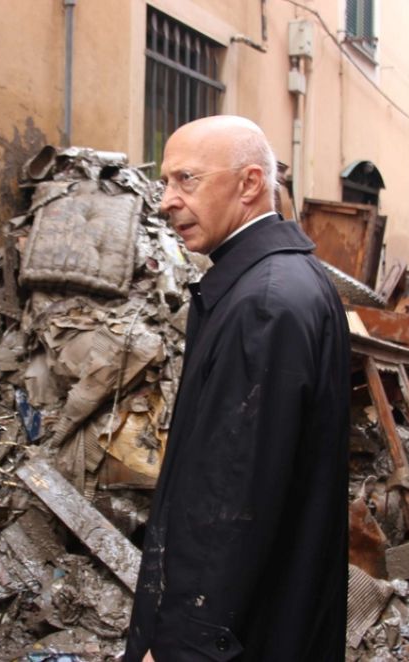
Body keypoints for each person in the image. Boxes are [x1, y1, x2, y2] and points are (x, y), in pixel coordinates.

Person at [124, 116, 351, 661]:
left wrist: (180, 645)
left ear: (250, 184)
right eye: (166, 183)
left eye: (186, 181)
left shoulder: (264, 305)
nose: (165, 202)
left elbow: (229, 503)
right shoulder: (281, 281)